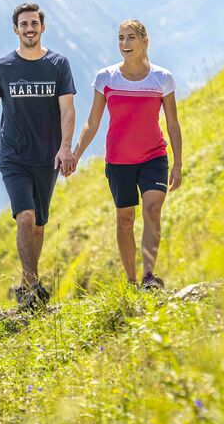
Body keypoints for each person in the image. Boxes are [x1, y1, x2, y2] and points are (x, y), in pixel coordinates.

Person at [0, 2, 76, 309]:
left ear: (42, 27)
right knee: (25, 216)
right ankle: (32, 285)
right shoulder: (2, 68)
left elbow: (67, 109)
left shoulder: (58, 64)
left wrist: (65, 147)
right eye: (24, 24)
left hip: (48, 157)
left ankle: (26, 282)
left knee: (39, 224)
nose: (29, 29)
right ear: (15, 30)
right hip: (14, 157)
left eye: (34, 24)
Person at [71, 19, 182, 289]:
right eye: (120, 38)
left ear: (145, 41)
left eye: (131, 37)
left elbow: (172, 124)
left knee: (152, 209)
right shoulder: (106, 78)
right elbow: (92, 122)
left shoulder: (162, 78)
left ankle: (148, 277)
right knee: (125, 219)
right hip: (119, 160)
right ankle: (132, 281)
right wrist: (76, 154)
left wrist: (178, 163)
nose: (124, 43)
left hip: (154, 157)